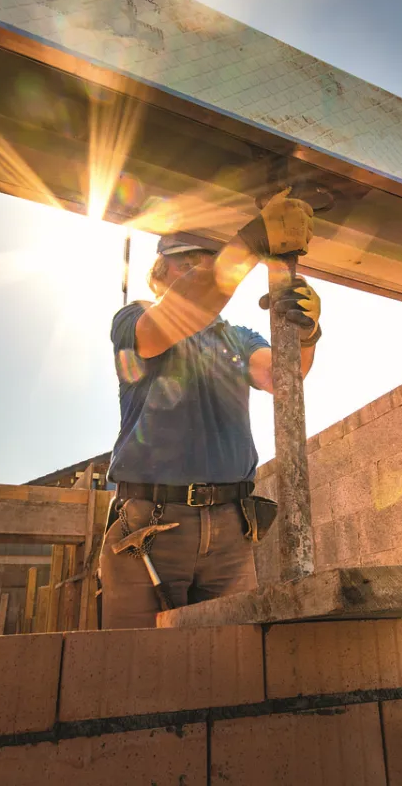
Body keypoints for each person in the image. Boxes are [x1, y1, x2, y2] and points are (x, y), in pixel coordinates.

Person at [99, 190, 323, 628]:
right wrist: (253, 241)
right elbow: (177, 315)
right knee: (137, 658)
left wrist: (307, 333)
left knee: (231, 656)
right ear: (160, 273)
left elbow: (283, 378)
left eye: (206, 260)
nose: (200, 270)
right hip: (149, 526)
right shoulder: (135, 319)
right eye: (187, 263)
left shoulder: (238, 338)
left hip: (230, 530)